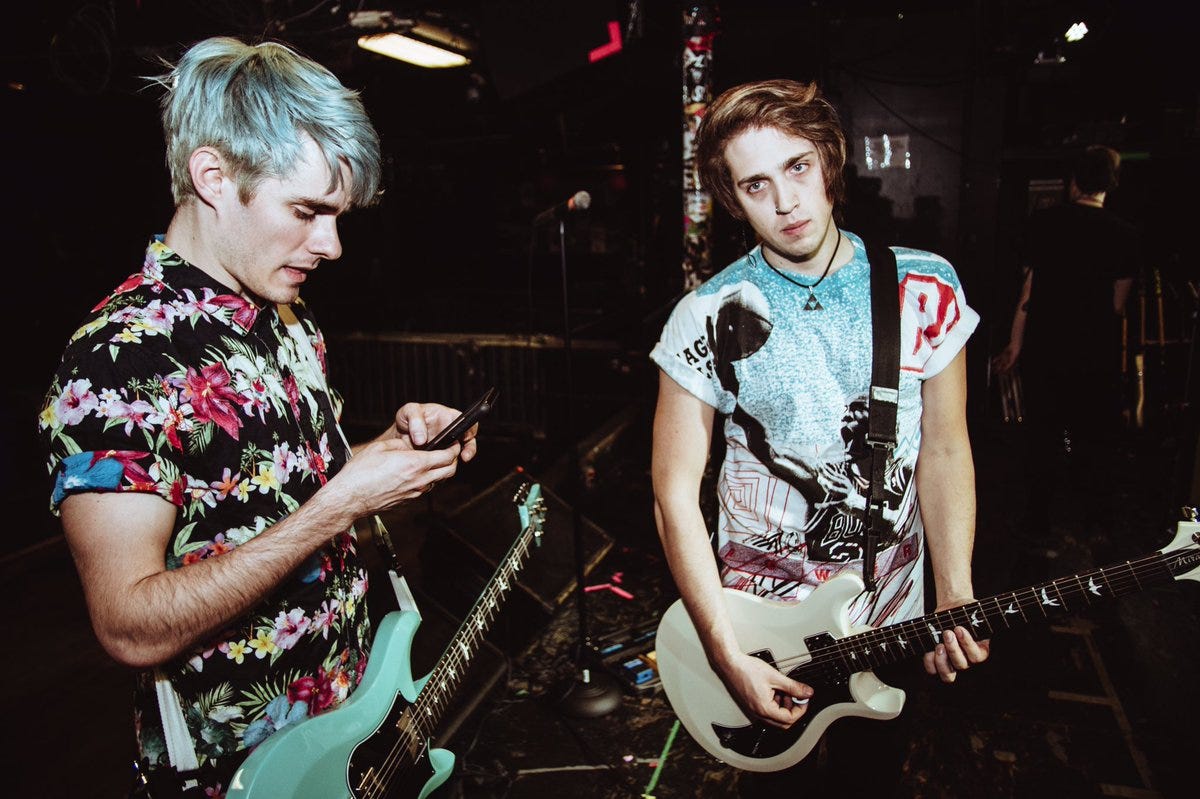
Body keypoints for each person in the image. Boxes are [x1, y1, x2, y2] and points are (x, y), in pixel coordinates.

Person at [36, 36, 478, 797]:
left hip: (355, 736)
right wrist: (343, 502)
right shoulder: (117, 361)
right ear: (213, 176)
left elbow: (274, 499)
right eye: (306, 211)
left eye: (337, 216)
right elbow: (128, 625)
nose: (331, 244)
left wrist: (388, 454)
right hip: (240, 773)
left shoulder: (288, 319)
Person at [649, 79, 989, 796]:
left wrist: (954, 590)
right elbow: (673, 494)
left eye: (797, 167)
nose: (785, 201)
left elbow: (946, 448)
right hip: (761, 629)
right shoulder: (705, 315)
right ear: (733, 198)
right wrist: (724, 654)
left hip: (888, 615)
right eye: (756, 184)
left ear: (829, 162)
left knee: (874, 779)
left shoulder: (924, 288)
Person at [993, 145, 1138, 566]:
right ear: (1111, 184)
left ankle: (1038, 524)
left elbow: (1028, 292)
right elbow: (1117, 305)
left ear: (1073, 182)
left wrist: (1015, 345)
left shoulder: (1044, 223)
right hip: (1095, 355)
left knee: (1043, 439)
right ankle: (1095, 526)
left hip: (1046, 350)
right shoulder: (1125, 234)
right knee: (1094, 441)